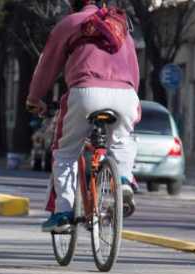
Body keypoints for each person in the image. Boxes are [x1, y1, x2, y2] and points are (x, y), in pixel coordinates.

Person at [27, 0, 141, 233]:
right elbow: (135, 71)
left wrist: (35, 98)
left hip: (85, 92)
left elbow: (47, 64)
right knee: (122, 140)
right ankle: (123, 180)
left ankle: (63, 213)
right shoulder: (121, 25)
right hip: (126, 95)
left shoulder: (70, 23)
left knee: (65, 152)